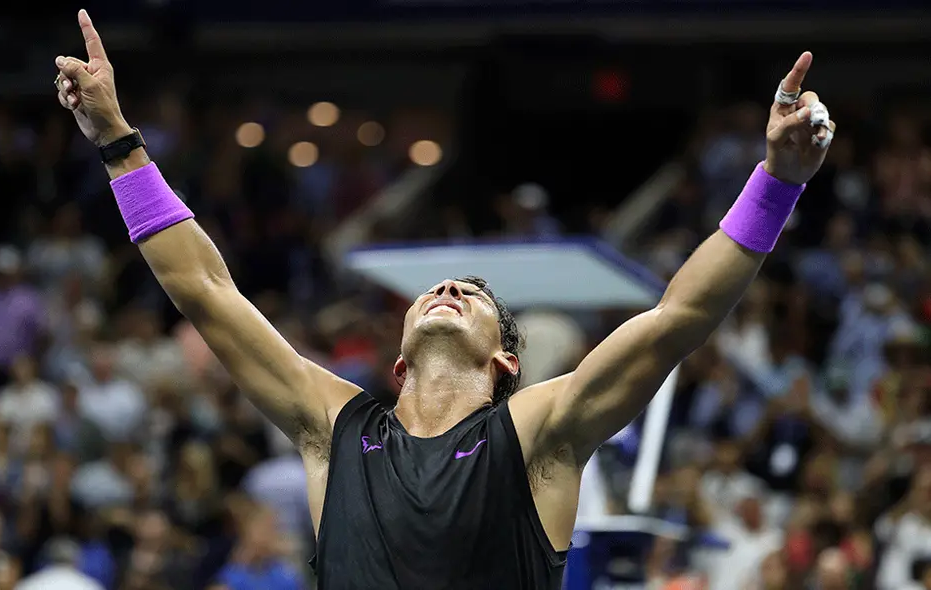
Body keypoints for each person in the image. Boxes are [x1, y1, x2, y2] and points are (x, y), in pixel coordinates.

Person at [52, 10, 835, 589]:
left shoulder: (539, 437)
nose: (453, 286)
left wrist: (776, 183)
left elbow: (678, 319)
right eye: (440, 287)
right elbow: (206, 291)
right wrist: (118, 140)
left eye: (478, 294)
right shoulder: (335, 429)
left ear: (506, 361)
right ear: (395, 361)